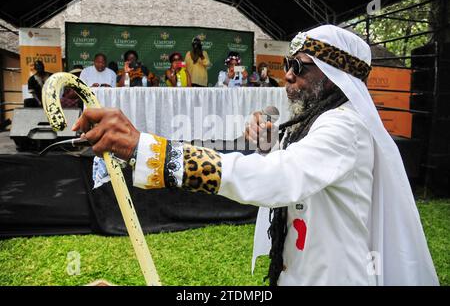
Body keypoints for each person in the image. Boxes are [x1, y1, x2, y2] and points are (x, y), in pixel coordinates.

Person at [71, 25, 439, 286]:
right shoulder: (313, 123)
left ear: (333, 75)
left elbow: (279, 179)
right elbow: (297, 177)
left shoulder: (345, 127)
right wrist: (268, 147)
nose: (288, 77)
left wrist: (150, 150)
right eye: (286, 66)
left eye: (300, 67)